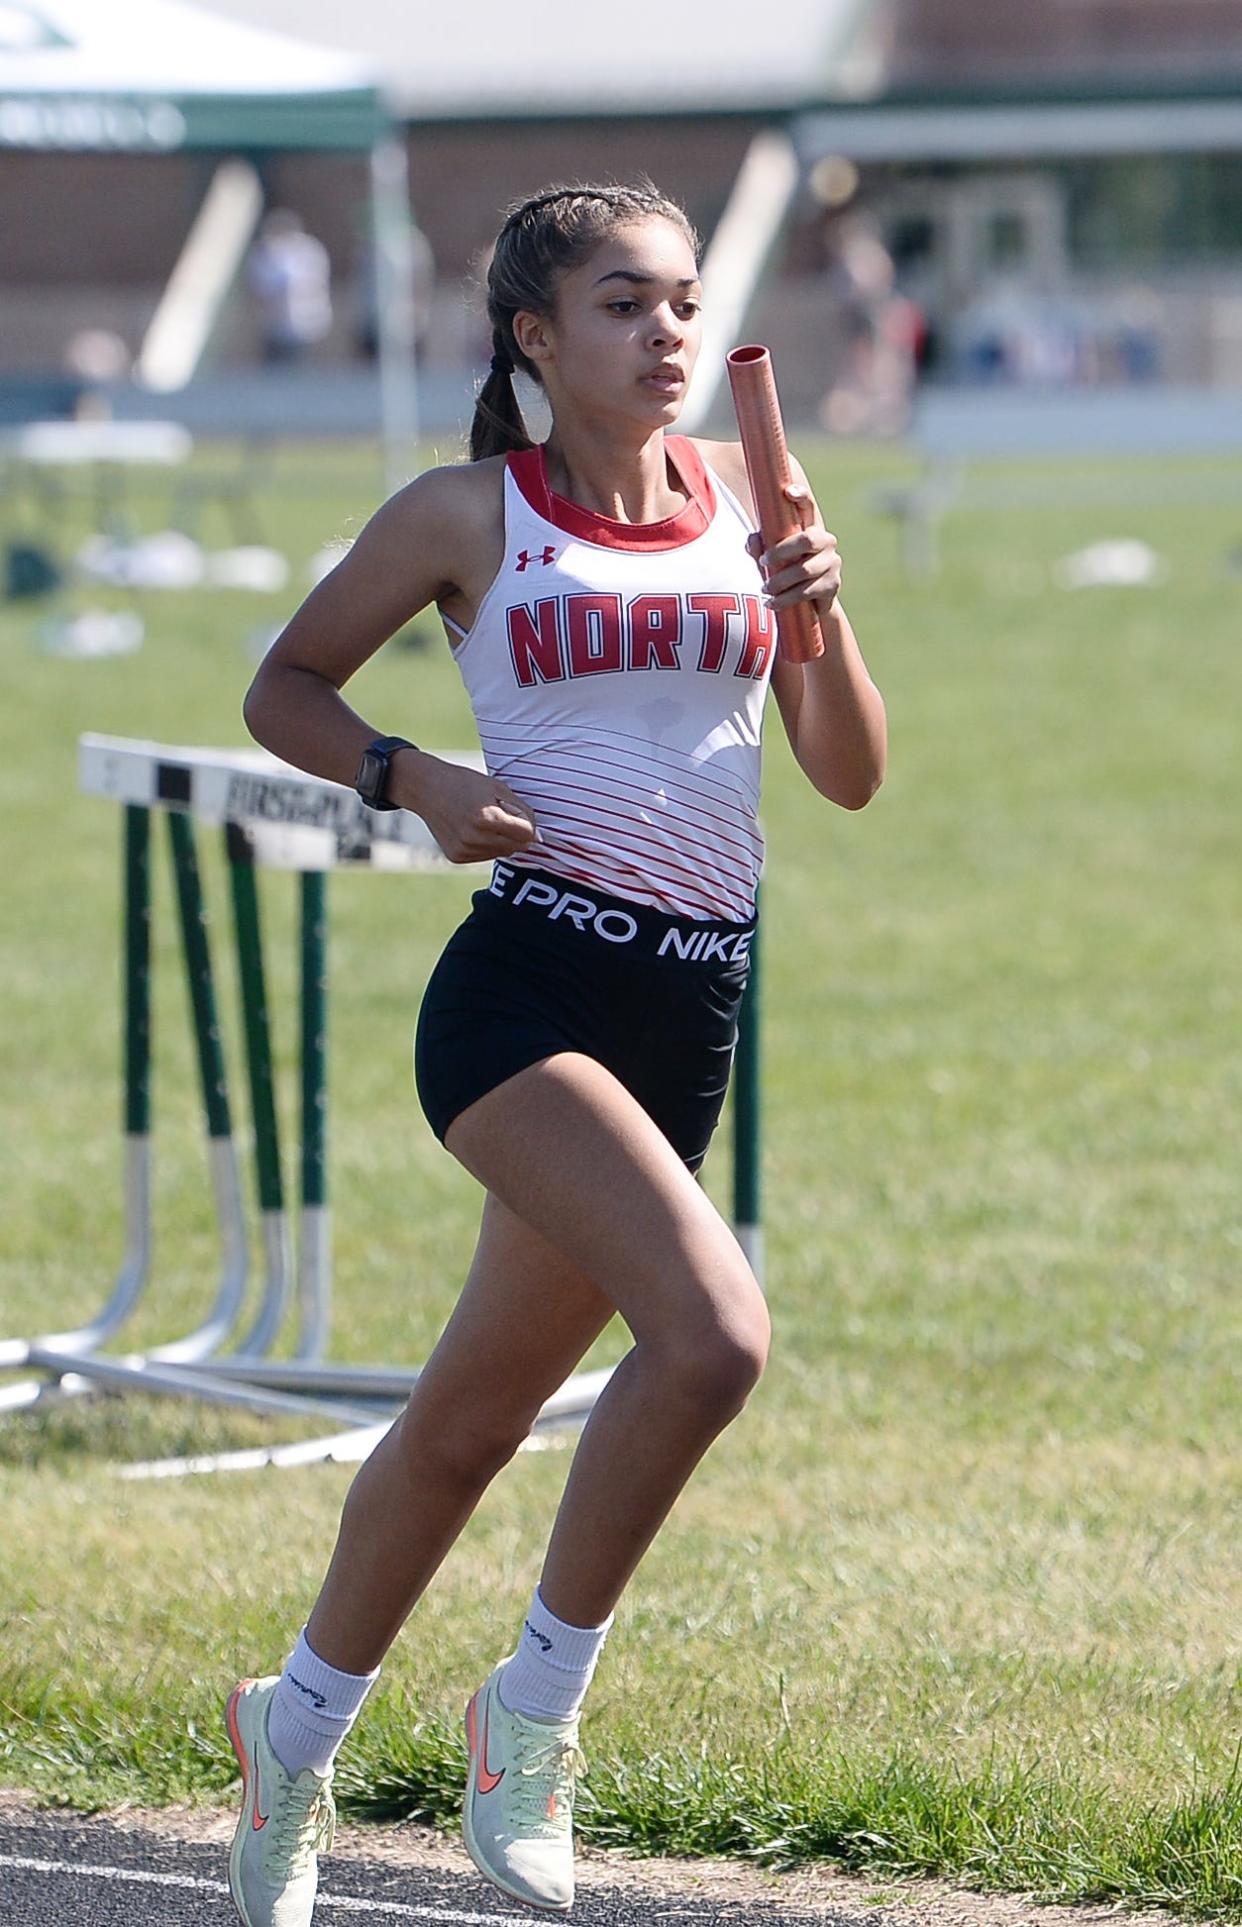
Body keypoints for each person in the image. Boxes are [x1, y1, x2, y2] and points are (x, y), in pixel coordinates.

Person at [229, 181, 886, 1927]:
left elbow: (847, 770)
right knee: (714, 1333)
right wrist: (413, 779)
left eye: (680, 300)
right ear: (535, 336)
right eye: (620, 303)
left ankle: (289, 1731)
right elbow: (283, 683)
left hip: (690, 1012)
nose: (666, 330)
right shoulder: (465, 512)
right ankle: (529, 1714)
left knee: (463, 1424)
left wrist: (812, 607)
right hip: (524, 997)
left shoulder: (753, 498)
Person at [247, 209, 333, 365]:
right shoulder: (266, 252)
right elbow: (263, 287)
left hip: (305, 321)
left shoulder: (307, 250)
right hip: (275, 324)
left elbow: (307, 281)